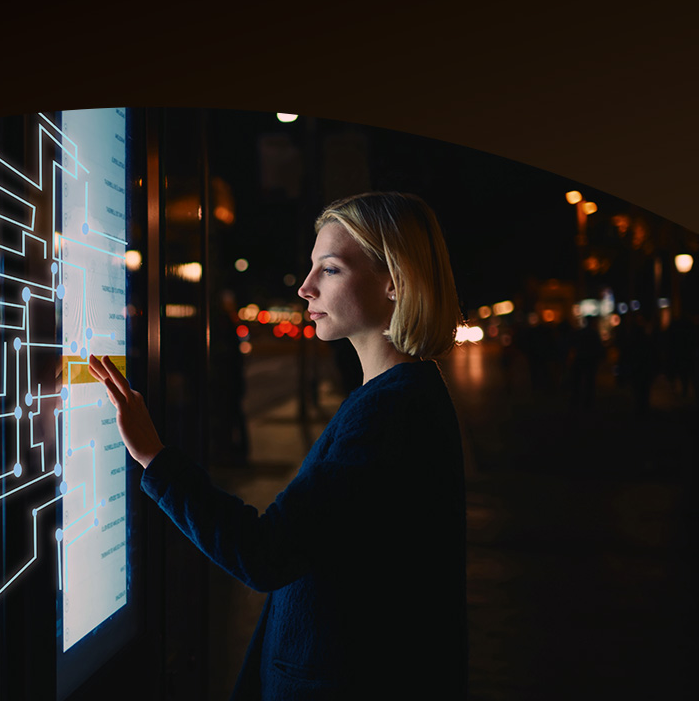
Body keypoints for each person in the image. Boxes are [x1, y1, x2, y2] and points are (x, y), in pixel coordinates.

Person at [89, 191, 468, 699]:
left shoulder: (390, 412)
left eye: (330, 270)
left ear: (394, 282)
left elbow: (265, 554)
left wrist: (155, 458)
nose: (306, 288)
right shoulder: (400, 397)